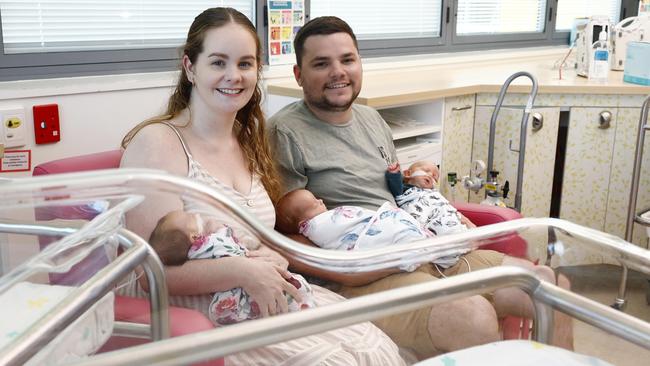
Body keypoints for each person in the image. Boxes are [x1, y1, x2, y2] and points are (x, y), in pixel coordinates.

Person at [268, 15, 573, 359]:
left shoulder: (370, 119)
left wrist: (427, 192)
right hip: (364, 273)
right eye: (321, 64)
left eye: (347, 60)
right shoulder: (285, 133)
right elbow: (283, 232)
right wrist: (355, 269)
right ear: (299, 75)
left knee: (549, 286)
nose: (338, 71)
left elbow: (395, 190)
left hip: (423, 248)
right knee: (472, 316)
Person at [120, 8, 405, 365]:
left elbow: (261, 236)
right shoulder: (157, 143)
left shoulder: (248, 141)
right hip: (192, 305)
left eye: (245, 64)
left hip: (258, 290)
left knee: (377, 350)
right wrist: (241, 271)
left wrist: (275, 257)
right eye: (218, 62)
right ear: (190, 67)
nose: (233, 76)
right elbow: (149, 273)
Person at [149, 210, 315, 326]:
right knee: (292, 294)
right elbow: (151, 272)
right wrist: (216, 228)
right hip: (242, 290)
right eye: (189, 216)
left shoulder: (195, 250)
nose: (195, 215)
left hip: (259, 274)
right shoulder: (207, 244)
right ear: (195, 237)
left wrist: (270, 252)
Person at [386, 160, 476, 236]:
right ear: (408, 174)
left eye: (435, 177)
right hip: (430, 232)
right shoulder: (405, 191)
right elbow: (395, 185)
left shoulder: (434, 194)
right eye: (426, 170)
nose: (431, 175)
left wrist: (467, 222)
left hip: (452, 226)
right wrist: (394, 174)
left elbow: (446, 208)